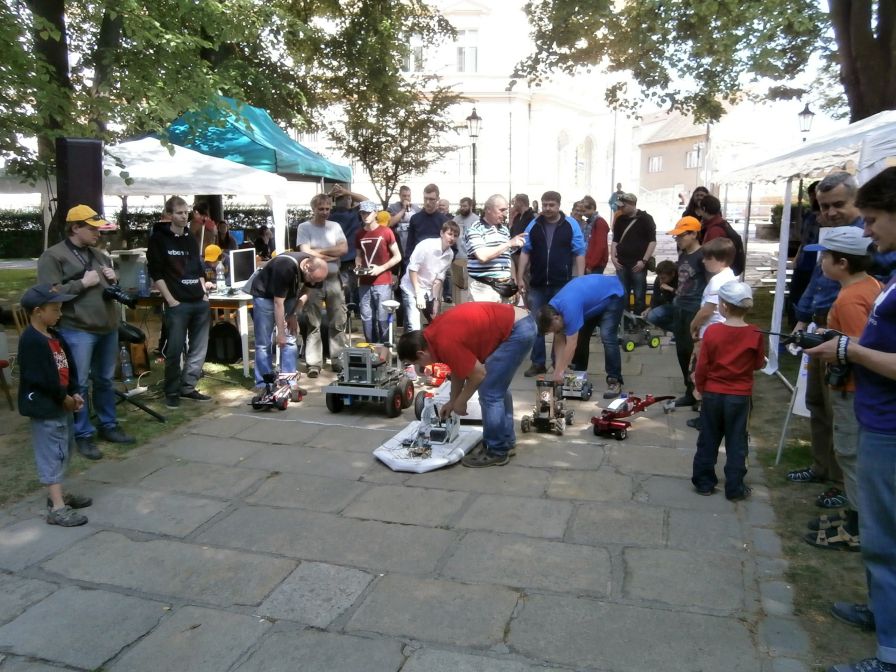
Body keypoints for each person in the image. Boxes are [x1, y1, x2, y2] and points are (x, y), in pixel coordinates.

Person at [805, 166, 896, 672]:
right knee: (882, 542)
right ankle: (883, 614)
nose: (867, 229)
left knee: (885, 541)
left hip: (887, 426)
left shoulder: (865, 286)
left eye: (874, 219)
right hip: (877, 417)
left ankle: (890, 654)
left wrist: (848, 350)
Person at [800, 226, 880, 551]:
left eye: (825, 256)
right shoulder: (869, 285)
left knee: (848, 453)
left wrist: (829, 345)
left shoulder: (849, 299)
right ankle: (855, 514)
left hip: (851, 388)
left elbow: (864, 346)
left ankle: (857, 528)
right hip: (860, 388)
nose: (820, 262)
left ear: (842, 262)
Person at [37, 204, 134, 460]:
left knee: (104, 380)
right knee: (78, 383)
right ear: (75, 228)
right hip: (78, 329)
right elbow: (48, 293)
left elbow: (110, 288)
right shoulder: (53, 256)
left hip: (107, 327)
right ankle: (83, 434)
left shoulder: (99, 255)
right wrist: (81, 283)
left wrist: (114, 279)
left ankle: (108, 425)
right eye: (92, 229)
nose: (97, 233)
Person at [787, 172, 863, 488]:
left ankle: (842, 483)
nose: (830, 212)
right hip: (820, 327)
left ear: (856, 200)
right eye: (824, 206)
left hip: (844, 333)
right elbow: (817, 281)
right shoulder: (829, 234)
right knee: (817, 404)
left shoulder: (866, 238)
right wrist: (802, 318)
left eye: (838, 205)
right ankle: (822, 467)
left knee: (839, 413)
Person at [397, 302, 536, 468]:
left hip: (517, 330)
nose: (421, 367)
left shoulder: (444, 341)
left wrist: (461, 401)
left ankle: (497, 451)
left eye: (417, 363)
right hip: (519, 324)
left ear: (421, 353)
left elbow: (478, 374)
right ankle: (505, 442)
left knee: (490, 391)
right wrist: (452, 401)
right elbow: (458, 368)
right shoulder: (433, 336)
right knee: (497, 387)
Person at [17, 284, 93, 527]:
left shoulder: (54, 336)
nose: (60, 314)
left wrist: (74, 392)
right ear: (38, 311)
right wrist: (63, 397)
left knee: (64, 449)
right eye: (55, 309)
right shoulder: (31, 341)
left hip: (62, 403)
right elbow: (41, 378)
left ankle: (58, 495)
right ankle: (57, 508)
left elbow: (67, 367)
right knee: (51, 453)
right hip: (46, 407)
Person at [690, 281, 765, 500]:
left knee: (708, 437)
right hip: (739, 396)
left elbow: (703, 365)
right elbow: (758, 363)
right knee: (737, 441)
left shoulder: (713, 331)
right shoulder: (755, 333)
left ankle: (704, 482)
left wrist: (700, 388)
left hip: (713, 393)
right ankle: (734, 486)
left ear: (723, 306)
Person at [147, 195, 213, 409]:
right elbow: (156, 272)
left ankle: (188, 387)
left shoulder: (189, 238)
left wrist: (204, 293)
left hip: (198, 300)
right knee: (175, 350)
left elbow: (198, 268)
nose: (184, 217)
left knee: (199, 348)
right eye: (179, 213)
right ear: (169, 215)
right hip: (177, 303)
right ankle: (172, 391)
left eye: (186, 212)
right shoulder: (158, 239)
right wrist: (170, 300)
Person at [518, 190, 586, 377]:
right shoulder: (534, 224)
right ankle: (538, 362)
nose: (547, 208)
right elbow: (525, 251)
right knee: (536, 324)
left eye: (551, 205)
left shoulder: (570, 224)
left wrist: (580, 280)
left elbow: (579, 252)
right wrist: (520, 276)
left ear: (559, 205)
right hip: (537, 283)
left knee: (559, 325)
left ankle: (558, 363)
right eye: (545, 204)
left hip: (562, 285)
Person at [248, 251, 328, 390]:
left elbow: (307, 291)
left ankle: (289, 382)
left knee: (290, 339)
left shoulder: (316, 272)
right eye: (312, 279)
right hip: (264, 296)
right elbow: (278, 303)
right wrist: (280, 333)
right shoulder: (285, 267)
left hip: (288, 296)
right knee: (264, 342)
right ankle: (264, 384)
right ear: (306, 267)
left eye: (317, 281)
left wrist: (294, 314)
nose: (313, 283)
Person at [535, 274, 625, 398]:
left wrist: (561, 370)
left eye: (553, 329)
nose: (555, 332)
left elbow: (571, 344)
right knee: (581, 335)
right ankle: (578, 375)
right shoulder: (552, 309)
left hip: (613, 294)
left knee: (607, 336)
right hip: (594, 302)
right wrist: (558, 369)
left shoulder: (569, 308)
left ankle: (614, 379)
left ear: (556, 318)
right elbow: (559, 340)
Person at [295, 193, 348, 376]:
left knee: (338, 320)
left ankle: (338, 359)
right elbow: (305, 252)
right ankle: (314, 363)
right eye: (321, 209)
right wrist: (331, 255)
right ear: (313, 209)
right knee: (313, 322)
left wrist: (318, 252)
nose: (325, 212)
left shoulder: (335, 226)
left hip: (333, 278)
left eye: (327, 209)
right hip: (313, 281)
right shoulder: (304, 227)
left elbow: (343, 249)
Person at [667, 216, 707, 407]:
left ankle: (698, 394)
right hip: (680, 307)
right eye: (676, 236)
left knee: (694, 353)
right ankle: (689, 390)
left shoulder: (703, 256)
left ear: (693, 234)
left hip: (694, 309)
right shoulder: (683, 254)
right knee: (682, 351)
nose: (678, 239)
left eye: (681, 236)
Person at [464, 194, 527, 303]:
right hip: (483, 288)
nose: (505, 214)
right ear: (488, 209)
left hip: (504, 286)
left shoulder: (504, 230)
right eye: (501, 210)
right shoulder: (475, 229)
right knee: (484, 315)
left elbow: (508, 258)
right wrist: (509, 243)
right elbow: (482, 256)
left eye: (506, 210)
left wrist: (514, 282)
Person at [355, 203, 402, 343]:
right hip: (364, 282)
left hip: (383, 281)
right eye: (362, 213)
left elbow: (398, 256)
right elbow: (358, 255)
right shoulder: (359, 233)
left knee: (383, 317)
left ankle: (386, 349)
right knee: (366, 317)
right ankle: (371, 348)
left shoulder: (386, 231)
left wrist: (381, 268)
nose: (365, 216)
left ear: (375, 213)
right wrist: (358, 265)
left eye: (368, 212)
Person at [400, 220, 458, 331]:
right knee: (414, 326)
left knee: (435, 321)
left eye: (455, 236)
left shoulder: (450, 254)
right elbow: (412, 270)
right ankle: (410, 340)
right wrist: (418, 294)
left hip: (428, 290)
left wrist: (436, 300)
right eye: (450, 234)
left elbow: (439, 279)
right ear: (441, 233)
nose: (452, 238)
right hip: (411, 287)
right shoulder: (426, 245)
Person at [611, 192, 656, 315]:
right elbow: (615, 240)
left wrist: (644, 260)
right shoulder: (620, 219)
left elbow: (652, 241)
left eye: (623, 206)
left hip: (638, 263)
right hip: (621, 262)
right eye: (619, 206)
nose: (620, 208)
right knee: (622, 294)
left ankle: (638, 319)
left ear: (632, 204)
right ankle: (624, 319)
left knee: (639, 294)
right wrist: (613, 257)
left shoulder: (646, 219)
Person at [329, 185, 368, 315]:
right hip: (354, 256)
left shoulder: (329, 213)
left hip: (337, 256)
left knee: (343, 286)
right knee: (355, 285)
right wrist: (347, 192)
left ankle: (345, 312)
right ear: (349, 199)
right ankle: (356, 311)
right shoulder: (354, 213)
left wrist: (330, 195)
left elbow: (318, 203)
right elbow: (367, 201)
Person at [405, 183, 449, 264]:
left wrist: (442, 265)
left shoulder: (445, 221)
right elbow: (409, 245)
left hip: (438, 265)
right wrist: (408, 263)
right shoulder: (415, 219)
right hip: (417, 265)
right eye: (425, 198)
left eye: (431, 199)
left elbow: (452, 247)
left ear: (438, 199)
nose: (428, 202)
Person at [644, 259, 678, 332]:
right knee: (651, 317)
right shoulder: (659, 279)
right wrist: (650, 308)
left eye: (663, 278)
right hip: (668, 305)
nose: (661, 280)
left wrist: (671, 289)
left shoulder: (680, 277)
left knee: (676, 301)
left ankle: (679, 330)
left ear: (673, 274)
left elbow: (685, 295)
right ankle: (676, 329)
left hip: (681, 306)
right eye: (659, 277)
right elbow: (655, 296)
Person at [387, 185, 421, 255]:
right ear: (400, 196)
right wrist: (403, 209)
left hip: (412, 243)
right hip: (398, 242)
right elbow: (390, 223)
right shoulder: (393, 207)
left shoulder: (416, 208)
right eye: (404, 196)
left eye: (408, 196)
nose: (407, 198)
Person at [584, 205, 611, 275]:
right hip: (590, 262)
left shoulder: (599, 222)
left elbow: (600, 246)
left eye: (584, 210)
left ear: (592, 208)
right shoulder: (589, 222)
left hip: (596, 264)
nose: (583, 213)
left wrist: (590, 265)